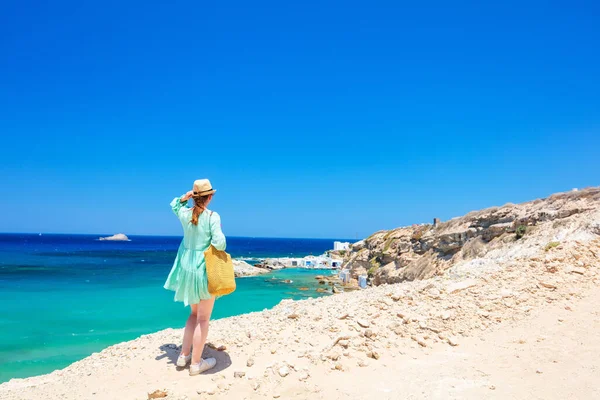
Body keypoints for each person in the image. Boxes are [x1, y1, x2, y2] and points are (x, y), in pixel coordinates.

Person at [164, 179, 226, 376]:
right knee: (203, 318)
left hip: (186, 268)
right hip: (204, 269)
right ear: (209, 197)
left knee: (193, 314)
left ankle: (183, 356)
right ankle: (196, 364)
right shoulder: (212, 216)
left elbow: (174, 205)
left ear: (195, 196)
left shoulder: (185, 214)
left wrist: (185, 197)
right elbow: (220, 243)